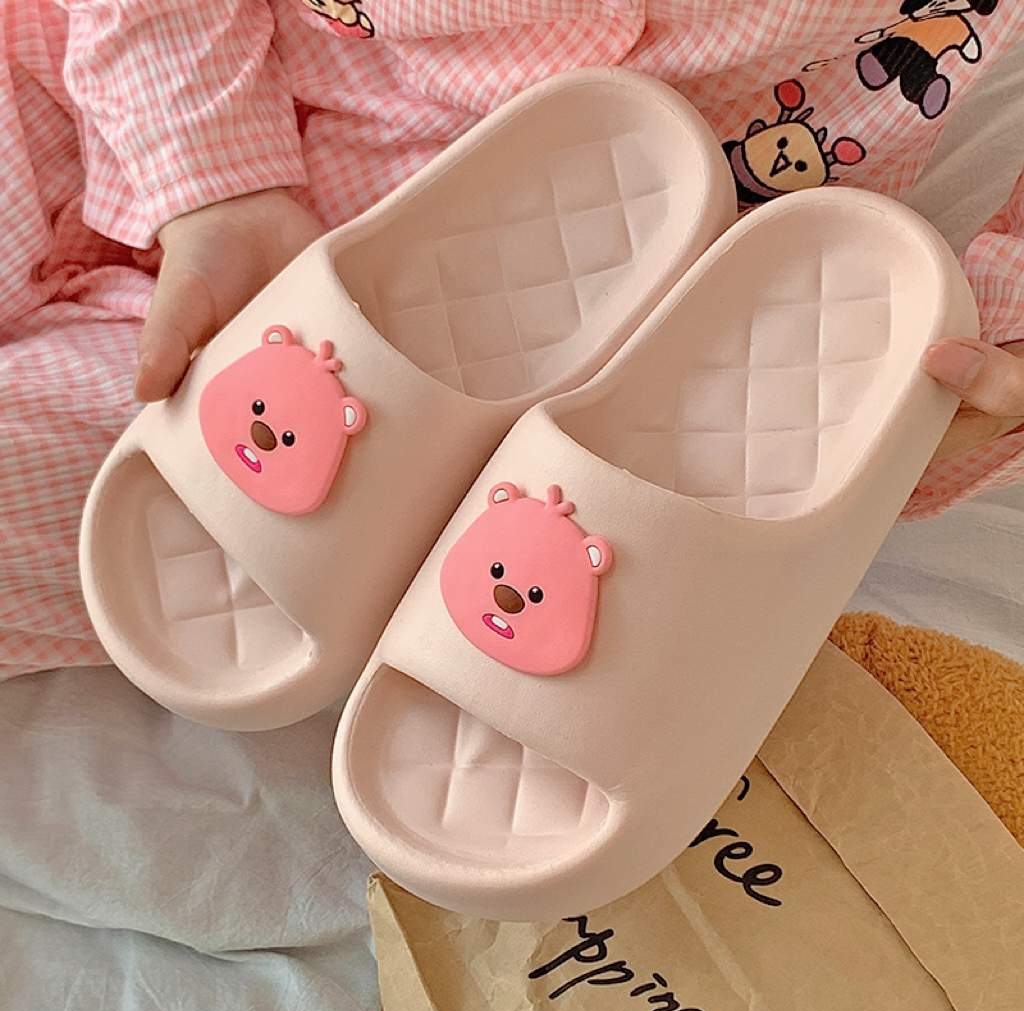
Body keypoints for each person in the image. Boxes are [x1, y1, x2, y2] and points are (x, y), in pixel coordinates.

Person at [2, 0, 1023, 680]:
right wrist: (213, 177)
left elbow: (982, 296)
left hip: (479, 377)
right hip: (127, 83)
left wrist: (966, 384)